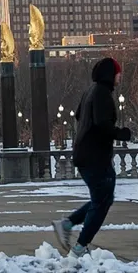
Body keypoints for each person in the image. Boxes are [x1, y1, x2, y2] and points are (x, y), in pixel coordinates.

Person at [53, 56, 132, 256]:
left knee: (103, 198)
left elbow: (80, 115)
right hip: (95, 156)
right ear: (111, 74)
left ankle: (68, 224)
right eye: (118, 73)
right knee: (102, 200)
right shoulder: (102, 93)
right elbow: (102, 124)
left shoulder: (90, 91)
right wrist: (121, 133)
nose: (120, 77)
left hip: (85, 153)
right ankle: (80, 246)